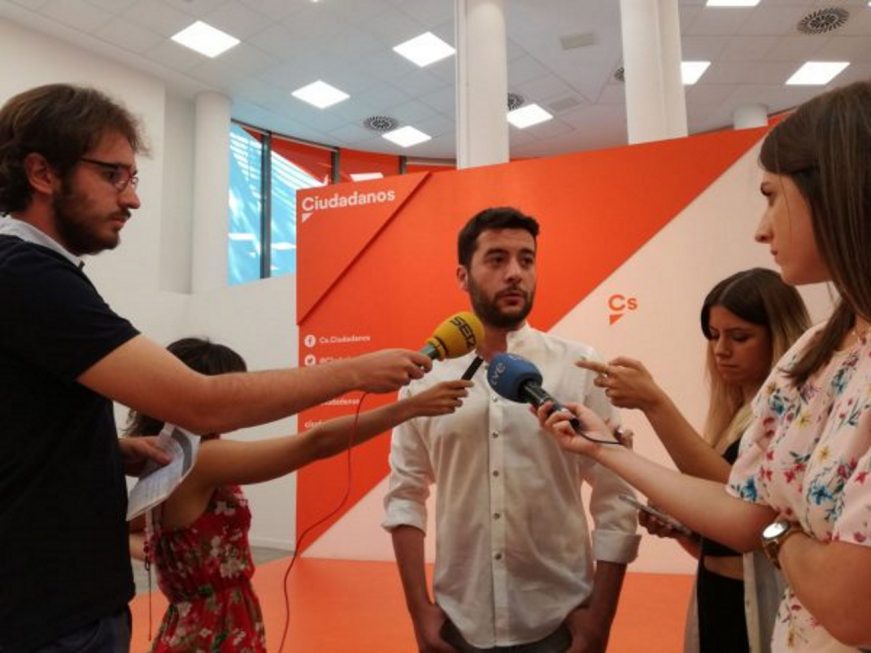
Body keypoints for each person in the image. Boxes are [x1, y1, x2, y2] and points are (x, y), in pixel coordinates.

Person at [0, 83, 430, 653]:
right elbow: (202, 402)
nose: (132, 200)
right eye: (113, 175)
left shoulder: (35, 274)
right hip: (52, 622)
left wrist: (104, 452)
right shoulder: (26, 273)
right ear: (42, 173)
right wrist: (355, 371)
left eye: (133, 178)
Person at [537, 80, 871, 653]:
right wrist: (604, 451)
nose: (761, 229)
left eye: (772, 195)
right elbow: (742, 506)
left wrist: (776, 528)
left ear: (834, 191)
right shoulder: (817, 349)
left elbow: (850, 603)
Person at [383, 207, 640, 653]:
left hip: (560, 619)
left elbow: (615, 495)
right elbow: (405, 494)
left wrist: (600, 617)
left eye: (526, 259)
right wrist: (417, 609)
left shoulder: (576, 367)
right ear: (463, 275)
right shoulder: (424, 381)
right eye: (497, 259)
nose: (515, 273)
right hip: (458, 622)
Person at [125, 337, 471, 652]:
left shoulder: (165, 458)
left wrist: (187, 571)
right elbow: (315, 443)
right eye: (232, 390)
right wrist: (409, 407)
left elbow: (158, 540)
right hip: (212, 633)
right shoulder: (203, 460)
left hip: (201, 625)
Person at [582, 268, 809, 653]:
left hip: (768, 608)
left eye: (740, 337)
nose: (721, 350)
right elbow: (726, 529)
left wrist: (655, 404)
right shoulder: (736, 415)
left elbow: (743, 503)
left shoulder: (795, 413)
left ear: (781, 336)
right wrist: (687, 531)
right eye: (714, 336)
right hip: (716, 597)